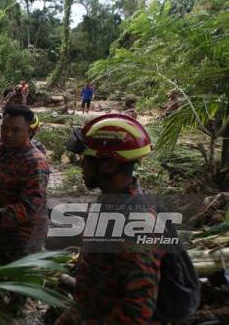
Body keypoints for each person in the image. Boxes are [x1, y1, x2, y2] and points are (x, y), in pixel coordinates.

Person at [57, 114, 163, 324]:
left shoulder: (136, 223)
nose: (82, 166)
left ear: (108, 166)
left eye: (86, 159)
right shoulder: (111, 202)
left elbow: (137, 310)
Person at [0, 105, 49, 264]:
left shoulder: (35, 162)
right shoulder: (0, 147)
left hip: (23, 236)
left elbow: (28, 208)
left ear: (28, 132)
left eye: (16, 130)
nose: (8, 134)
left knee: (15, 281)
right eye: (4, 128)